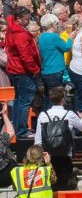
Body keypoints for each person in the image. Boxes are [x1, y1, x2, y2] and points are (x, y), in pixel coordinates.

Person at [35, 86, 82, 198]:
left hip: (48, 158)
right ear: (63, 99)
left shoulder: (43, 115)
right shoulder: (69, 114)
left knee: (51, 190)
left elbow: (38, 140)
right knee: (62, 190)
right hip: (65, 157)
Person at [7, 7, 42, 137]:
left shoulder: (12, 29)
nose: (28, 22)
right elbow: (25, 55)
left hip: (16, 69)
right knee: (24, 101)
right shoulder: (19, 34)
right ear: (18, 19)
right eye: (26, 19)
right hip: (23, 71)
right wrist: (35, 69)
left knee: (18, 100)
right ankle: (22, 131)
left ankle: (19, 129)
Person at [37, 13, 72, 110]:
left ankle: (45, 119)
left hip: (46, 71)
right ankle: (54, 122)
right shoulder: (54, 37)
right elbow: (66, 47)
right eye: (57, 24)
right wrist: (70, 38)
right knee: (56, 99)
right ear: (53, 25)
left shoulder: (42, 37)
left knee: (48, 98)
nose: (57, 26)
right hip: (56, 71)